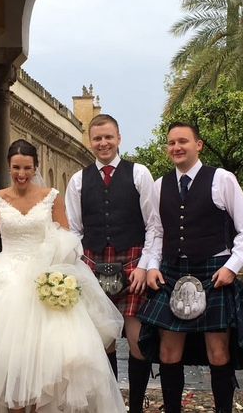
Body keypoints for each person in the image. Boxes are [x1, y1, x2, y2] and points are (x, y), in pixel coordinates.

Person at [0, 139, 126, 412]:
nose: (21, 174)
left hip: (43, 280)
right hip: (6, 279)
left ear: (35, 167)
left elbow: (66, 238)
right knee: (6, 360)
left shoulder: (52, 197)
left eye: (27, 168)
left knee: (47, 360)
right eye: (16, 168)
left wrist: (57, 274)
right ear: (9, 167)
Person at [139, 122, 243, 413]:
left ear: (198, 145)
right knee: (168, 352)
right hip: (170, 272)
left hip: (214, 271)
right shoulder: (159, 185)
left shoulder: (222, 179)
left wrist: (232, 267)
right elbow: (156, 232)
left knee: (218, 352)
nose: (176, 148)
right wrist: (152, 266)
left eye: (183, 141)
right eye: (171, 143)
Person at [65, 113, 159, 413]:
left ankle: (135, 408)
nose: (103, 143)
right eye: (97, 138)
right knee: (103, 343)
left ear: (119, 138)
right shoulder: (78, 180)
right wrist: (80, 268)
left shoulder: (139, 174)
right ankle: (111, 404)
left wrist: (144, 266)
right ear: (90, 142)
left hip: (133, 264)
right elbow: (73, 230)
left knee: (136, 342)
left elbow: (153, 226)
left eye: (108, 137)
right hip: (93, 265)